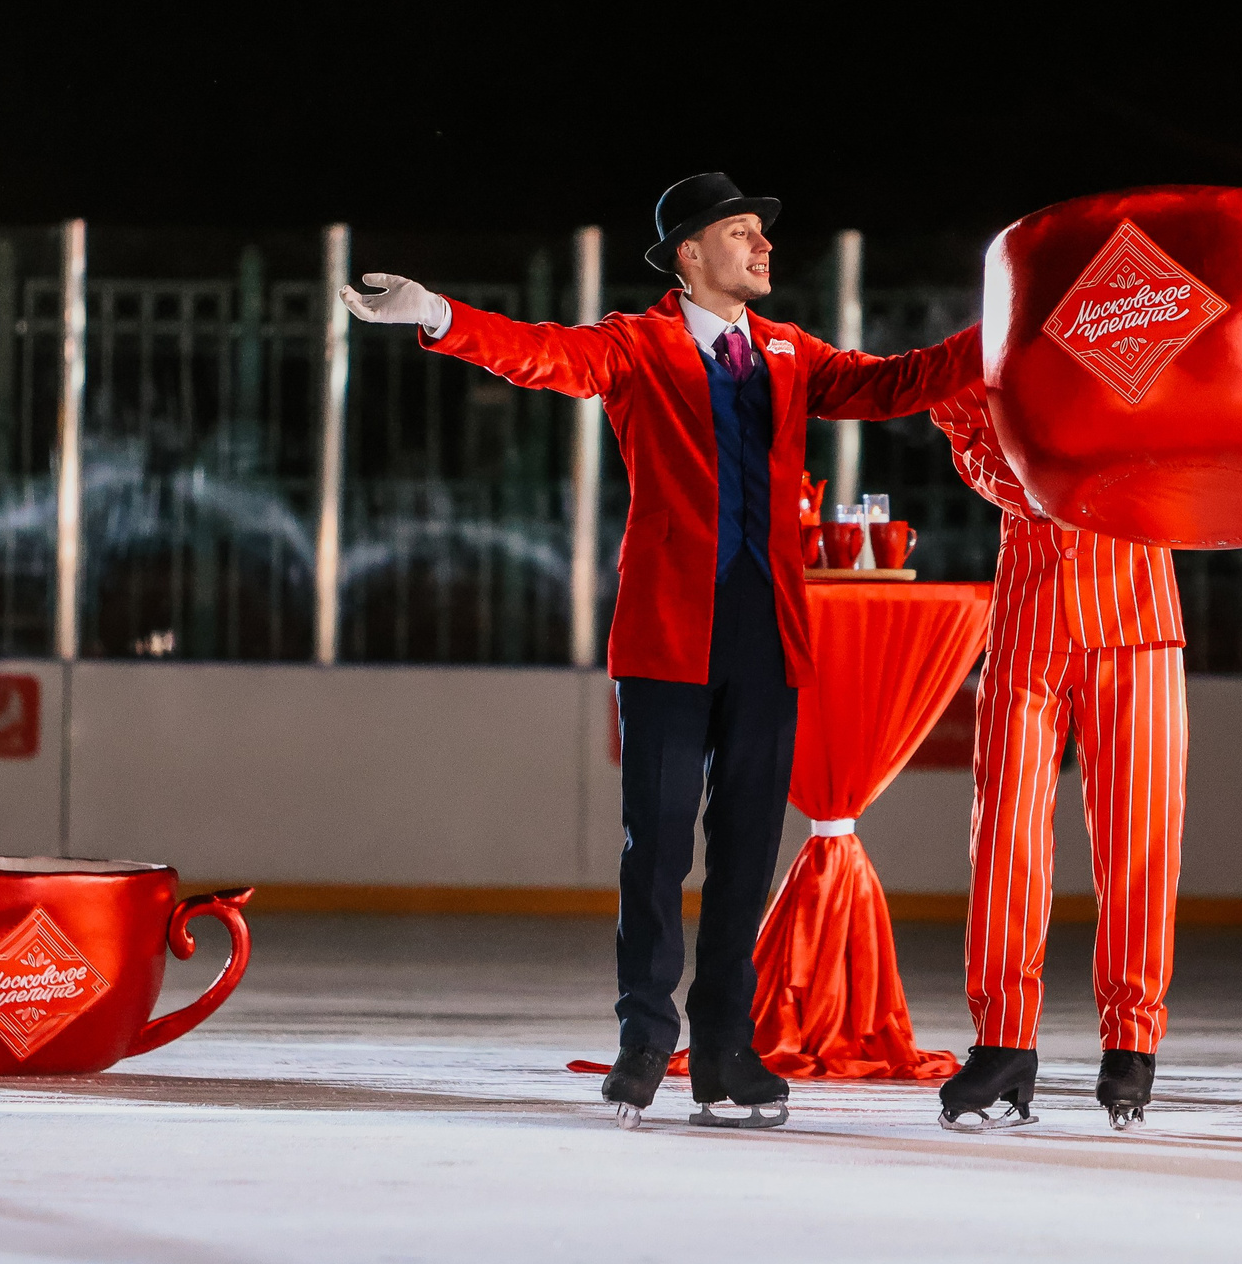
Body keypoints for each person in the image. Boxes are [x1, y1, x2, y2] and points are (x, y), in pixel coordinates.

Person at [341, 173, 978, 1129]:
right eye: (741, 231)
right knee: (659, 845)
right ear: (689, 252)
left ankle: (725, 1046)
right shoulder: (635, 343)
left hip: (767, 633)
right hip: (668, 633)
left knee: (747, 849)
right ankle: (645, 1037)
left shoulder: (790, 350)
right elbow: (542, 354)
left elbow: (893, 382)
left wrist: (997, 334)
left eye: (761, 232)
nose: (763, 246)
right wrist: (438, 314)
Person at [926, 384, 1186, 1131]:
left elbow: (1189, 464)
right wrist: (1045, 486)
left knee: (1140, 839)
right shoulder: (1010, 340)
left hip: (1138, 619)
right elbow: (958, 417)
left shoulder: (1156, 344)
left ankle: (1132, 1042)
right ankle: (1003, 1040)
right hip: (1028, 621)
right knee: (1003, 835)